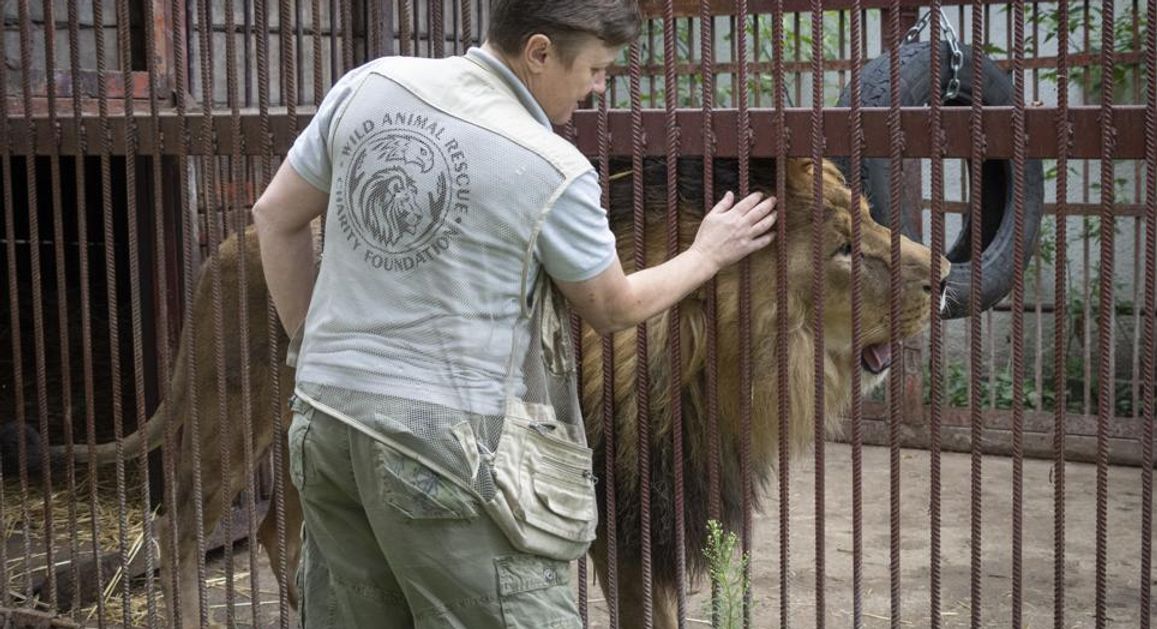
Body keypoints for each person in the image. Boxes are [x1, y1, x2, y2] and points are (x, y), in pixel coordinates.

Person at [251, 1, 777, 626]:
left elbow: (275, 217)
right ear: (539, 52)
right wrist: (706, 254)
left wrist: (317, 349)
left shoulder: (370, 84)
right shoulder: (549, 165)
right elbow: (613, 307)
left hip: (324, 422)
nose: (600, 87)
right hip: (443, 449)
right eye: (596, 69)